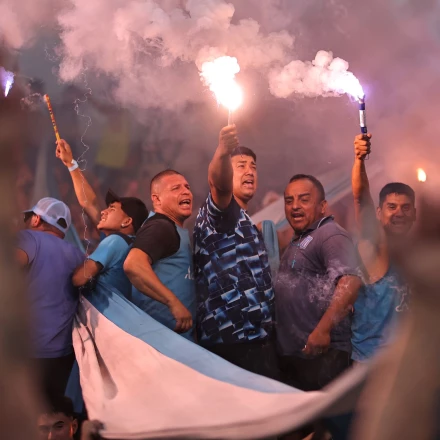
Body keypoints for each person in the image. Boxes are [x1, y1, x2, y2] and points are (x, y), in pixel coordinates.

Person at [193, 125, 278, 378]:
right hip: (232, 342)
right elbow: (218, 185)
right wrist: (221, 152)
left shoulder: (246, 220)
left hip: (255, 340)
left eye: (253, 166)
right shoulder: (220, 213)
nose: (249, 171)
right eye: (240, 165)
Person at [275, 174, 362, 391]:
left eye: (304, 199)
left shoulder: (330, 234)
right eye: (289, 200)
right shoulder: (301, 238)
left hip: (324, 354)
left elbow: (350, 283)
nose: (295, 206)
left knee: (332, 423)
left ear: (322, 206)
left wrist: (322, 330)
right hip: (300, 356)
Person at [56, 139, 148, 298]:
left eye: (112, 209)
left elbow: (79, 279)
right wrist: (71, 164)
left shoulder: (115, 242)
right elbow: (89, 203)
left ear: (127, 221)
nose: (104, 211)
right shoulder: (126, 244)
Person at [351, 134, 415, 362]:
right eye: (392, 207)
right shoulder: (373, 247)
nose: (399, 213)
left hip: (408, 362)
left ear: (415, 213)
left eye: (406, 207)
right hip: (371, 363)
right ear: (378, 213)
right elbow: (360, 198)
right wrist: (359, 159)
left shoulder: (417, 251)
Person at [17, 198, 84, 400]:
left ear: (36, 219)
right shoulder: (77, 255)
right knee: (48, 414)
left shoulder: (27, 238)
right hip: (60, 355)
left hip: (23, 353)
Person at [124, 170, 196, 340]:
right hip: (161, 342)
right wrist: (173, 302)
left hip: (172, 341)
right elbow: (133, 265)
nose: (185, 191)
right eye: (176, 188)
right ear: (157, 199)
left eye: (187, 187)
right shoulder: (161, 227)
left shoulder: (172, 228)